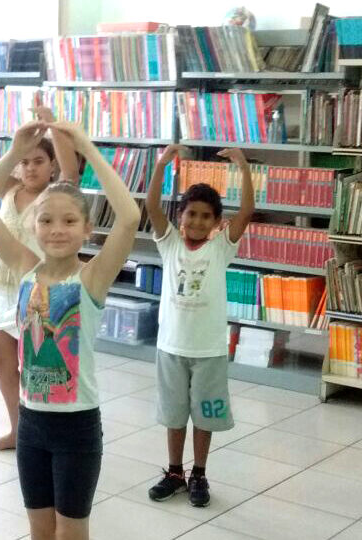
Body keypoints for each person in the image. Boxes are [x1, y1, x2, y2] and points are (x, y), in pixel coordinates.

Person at [0, 120, 139, 540]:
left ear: (86, 230)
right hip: (31, 425)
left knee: (71, 531)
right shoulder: (25, 269)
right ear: (32, 227)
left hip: (76, 428)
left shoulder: (92, 278)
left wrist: (88, 148)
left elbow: (130, 217)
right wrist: (13, 152)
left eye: (68, 221)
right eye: (46, 220)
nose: (57, 229)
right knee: (40, 529)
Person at [144, 145, 254, 508]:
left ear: (218, 222)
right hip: (171, 348)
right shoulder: (169, 243)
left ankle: (199, 473)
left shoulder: (222, 248)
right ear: (181, 217)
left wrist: (242, 166)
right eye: (191, 214)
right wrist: (161, 164)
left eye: (207, 216)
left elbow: (248, 211)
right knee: (174, 414)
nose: (197, 222)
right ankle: (175, 472)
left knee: (203, 414)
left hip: (208, 352)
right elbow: (152, 206)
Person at [0, 97, 79, 451]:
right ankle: (17, 429)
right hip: (1, 287)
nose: (30, 168)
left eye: (39, 161)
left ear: (50, 167)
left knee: (36, 365)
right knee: (1, 358)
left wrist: (53, 127)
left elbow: (72, 172)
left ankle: (40, 430)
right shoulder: (8, 188)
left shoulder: (54, 195)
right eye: (25, 162)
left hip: (35, 291)